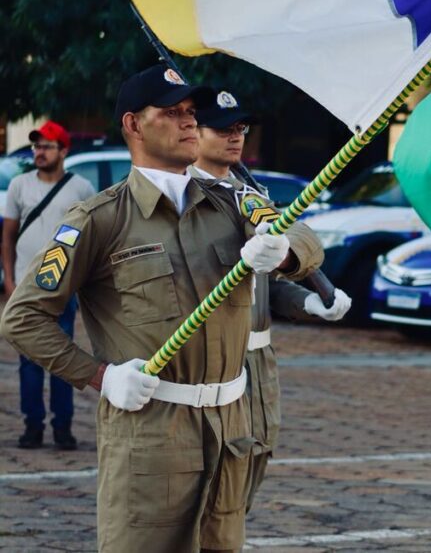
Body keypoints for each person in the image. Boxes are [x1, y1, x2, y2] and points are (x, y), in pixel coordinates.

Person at [1, 64, 323, 552]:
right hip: (152, 436)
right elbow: (23, 318)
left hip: (231, 433)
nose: (189, 121)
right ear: (133, 124)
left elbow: (301, 235)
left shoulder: (233, 202)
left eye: (191, 112)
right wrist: (100, 376)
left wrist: (284, 251)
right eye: (172, 112)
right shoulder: (100, 219)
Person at [190, 89, 351, 511]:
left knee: (253, 463)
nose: (235, 136)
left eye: (240, 128)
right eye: (222, 129)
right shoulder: (185, 199)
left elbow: (265, 283)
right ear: (193, 132)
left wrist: (307, 302)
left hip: (259, 363)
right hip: (213, 360)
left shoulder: (251, 194)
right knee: (210, 487)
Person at [2, 120, 96, 450]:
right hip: (26, 288)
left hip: (63, 289)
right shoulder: (19, 185)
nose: (39, 152)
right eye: (36, 146)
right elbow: (8, 236)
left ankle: (63, 427)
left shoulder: (81, 188)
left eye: (46, 146)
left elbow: (91, 240)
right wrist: (9, 279)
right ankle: (32, 425)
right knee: (29, 361)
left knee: (63, 359)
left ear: (63, 151)